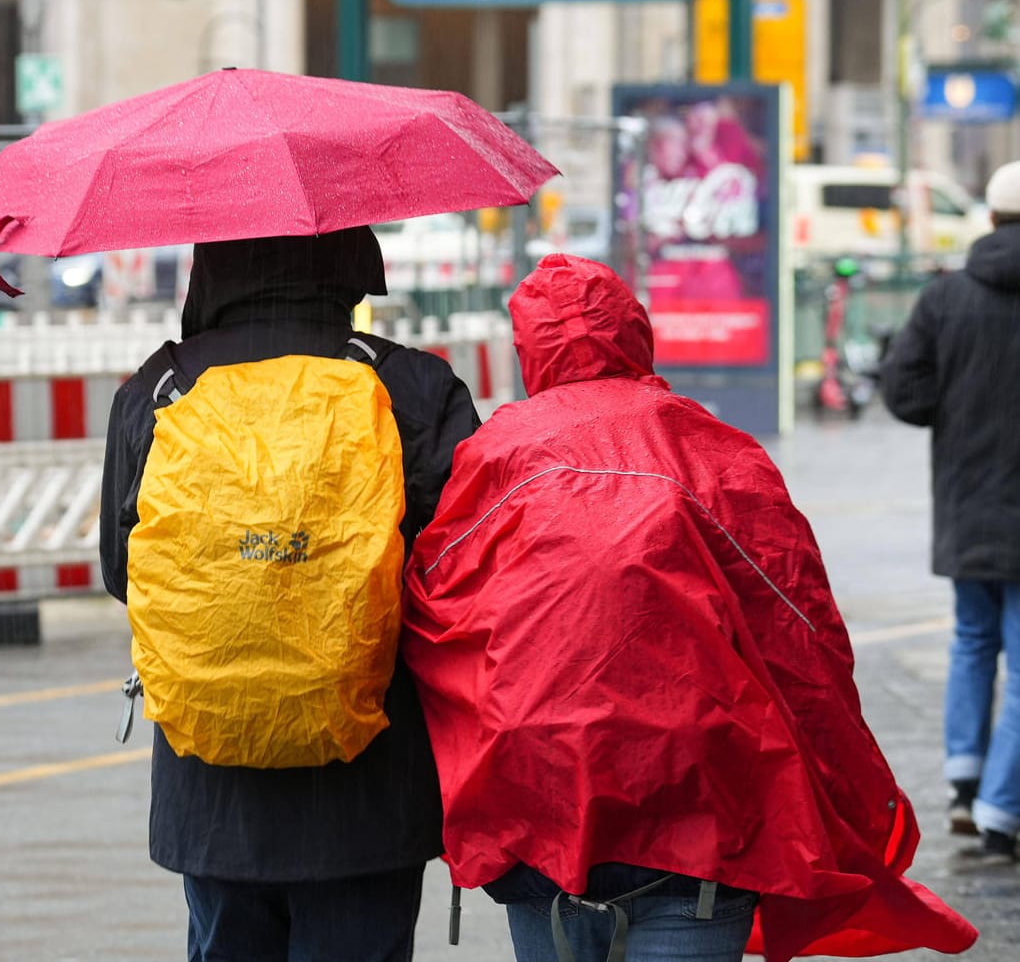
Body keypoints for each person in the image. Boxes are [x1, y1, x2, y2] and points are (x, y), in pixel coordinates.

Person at [403, 254, 975, 962]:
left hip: (541, 809)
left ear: (529, 352)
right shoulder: (709, 447)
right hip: (696, 815)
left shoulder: (494, 455)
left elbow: (434, 612)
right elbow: (800, 629)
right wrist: (849, 791)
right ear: (637, 333)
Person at [100, 228, 479, 961]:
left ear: (209, 266)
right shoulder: (409, 388)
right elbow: (469, 573)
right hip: (369, 782)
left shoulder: (158, 392)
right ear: (351, 259)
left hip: (212, 785)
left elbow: (124, 572)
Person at [882, 159, 1020, 866]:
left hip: (968, 503)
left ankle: (964, 780)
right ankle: (1002, 807)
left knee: (972, 641)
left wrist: (959, 411)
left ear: (989, 219)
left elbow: (904, 393)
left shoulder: (946, 298)